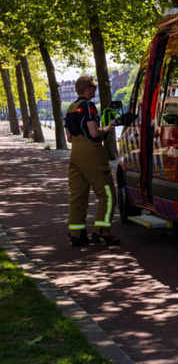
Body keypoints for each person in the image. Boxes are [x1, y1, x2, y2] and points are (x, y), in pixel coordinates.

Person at [64, 76, 119, 247]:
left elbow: (69, 138)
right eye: (93, 87)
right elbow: (94, 133)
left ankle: (77, 234)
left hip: (75, 154)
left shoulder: (70, 108)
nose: (95, 90)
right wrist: (108, 129)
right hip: (91, 152)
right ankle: (101, 233)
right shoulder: (88, 106)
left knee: (78, 196)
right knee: (108, 195)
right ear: (87, 88)